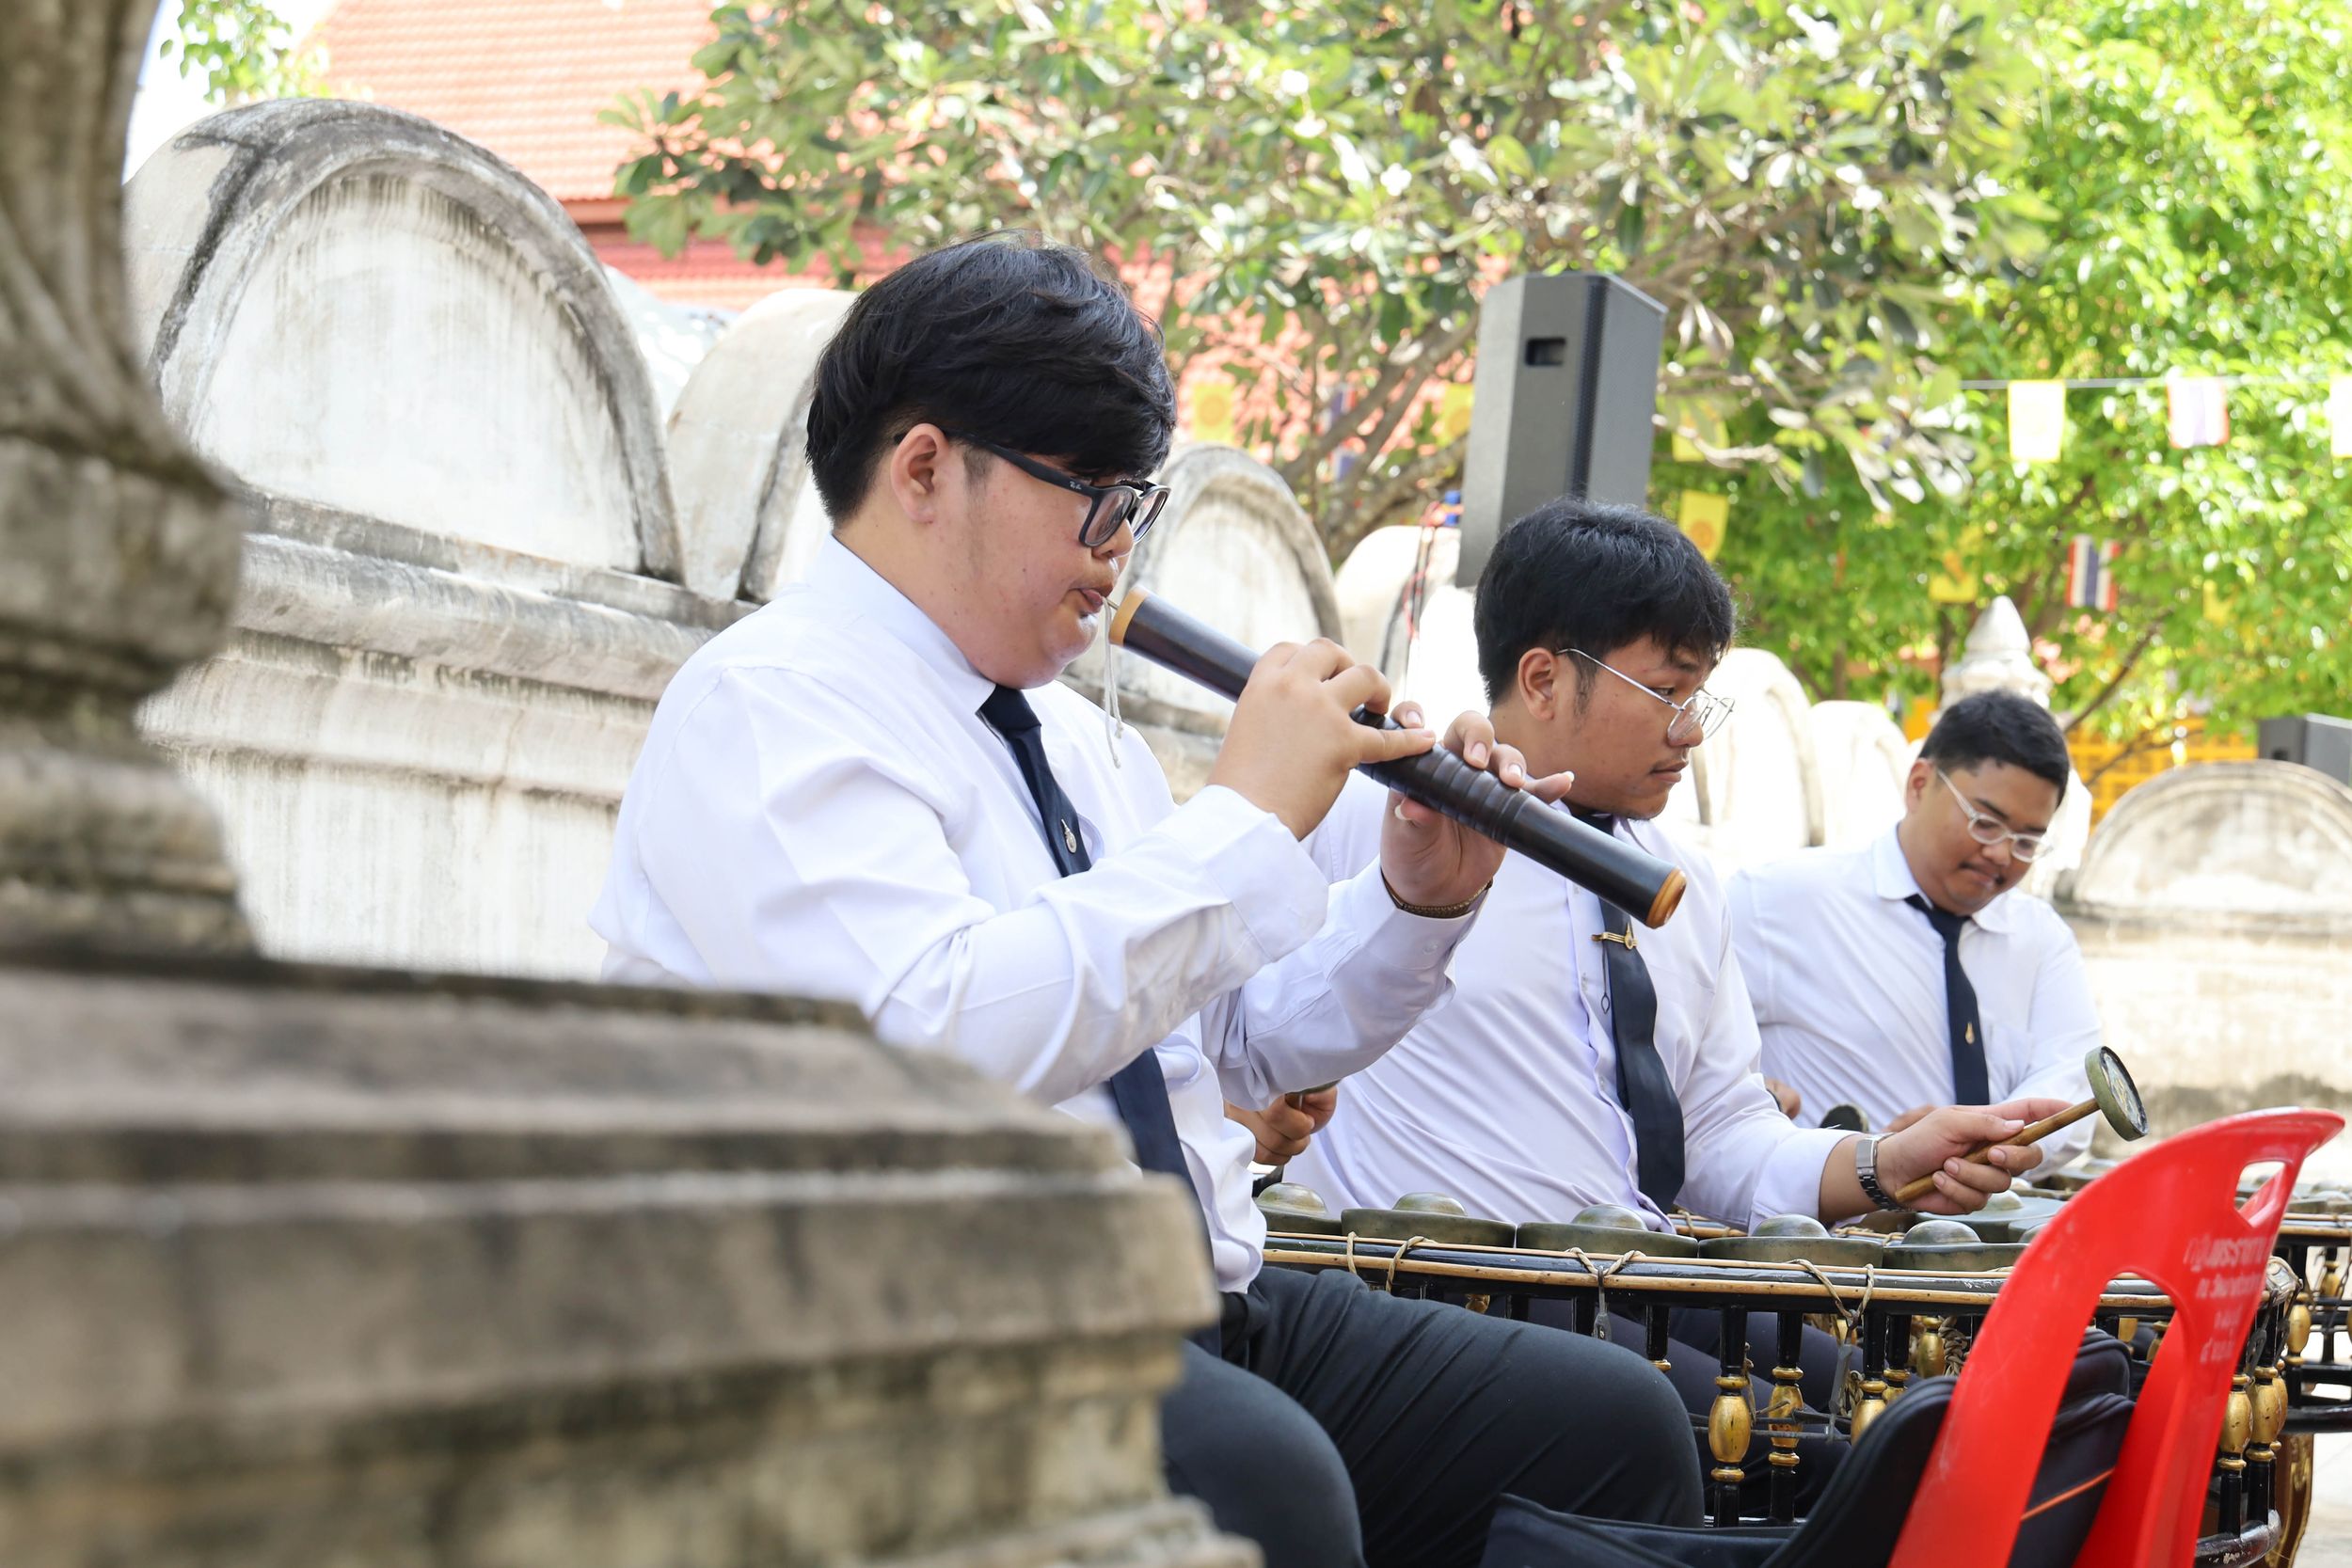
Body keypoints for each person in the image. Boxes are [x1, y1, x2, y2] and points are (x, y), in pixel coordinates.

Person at [589, 233, 1700, 1568]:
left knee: (1610, 1427)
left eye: (1139, 502)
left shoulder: (1076, 736)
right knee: (1265, 1481)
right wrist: (1245, 818)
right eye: (1096, 497)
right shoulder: (769, 701)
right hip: (908, 1333)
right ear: (926, 468)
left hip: (1188, 1291)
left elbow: (1237, 1038)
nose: (1119, 546)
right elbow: (932, 1039)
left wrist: (1417, 898)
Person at [1281, 500, 2066, 1498]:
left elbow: (1723, 1136)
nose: (1690, 729)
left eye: (1700, 696)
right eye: (1665, 691)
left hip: (1634, 1269)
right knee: (1822, 1458)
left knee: (1914, 1405)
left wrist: (1882, 1162)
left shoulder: (1683, 884)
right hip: (1453, 1286)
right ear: (1542, 677)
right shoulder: (1381, 809)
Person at [1730, 690, 2102, 1163]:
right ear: (1920, 784)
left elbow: (2073, 1082)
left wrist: (1991, 1140)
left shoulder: (2040, 937)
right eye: (1986, 823)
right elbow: (1680, 1047)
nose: (2001, 854)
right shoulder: (1775, 901)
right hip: (1823, 1207)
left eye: (2027, 842)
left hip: (2001, 1207)